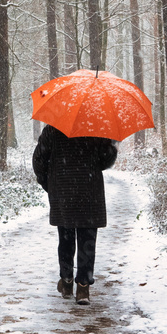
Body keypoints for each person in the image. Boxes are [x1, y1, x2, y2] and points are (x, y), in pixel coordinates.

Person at [32, 124, 118, 305]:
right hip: (90, 192)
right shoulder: (97, 128)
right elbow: (106, 161)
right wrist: (110, 143)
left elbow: (39, 160)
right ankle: (83, 287)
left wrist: (50, 185)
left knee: (66, 240)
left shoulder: (53, 128)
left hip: (63, 191)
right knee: (88, 241)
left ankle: (66, 281)